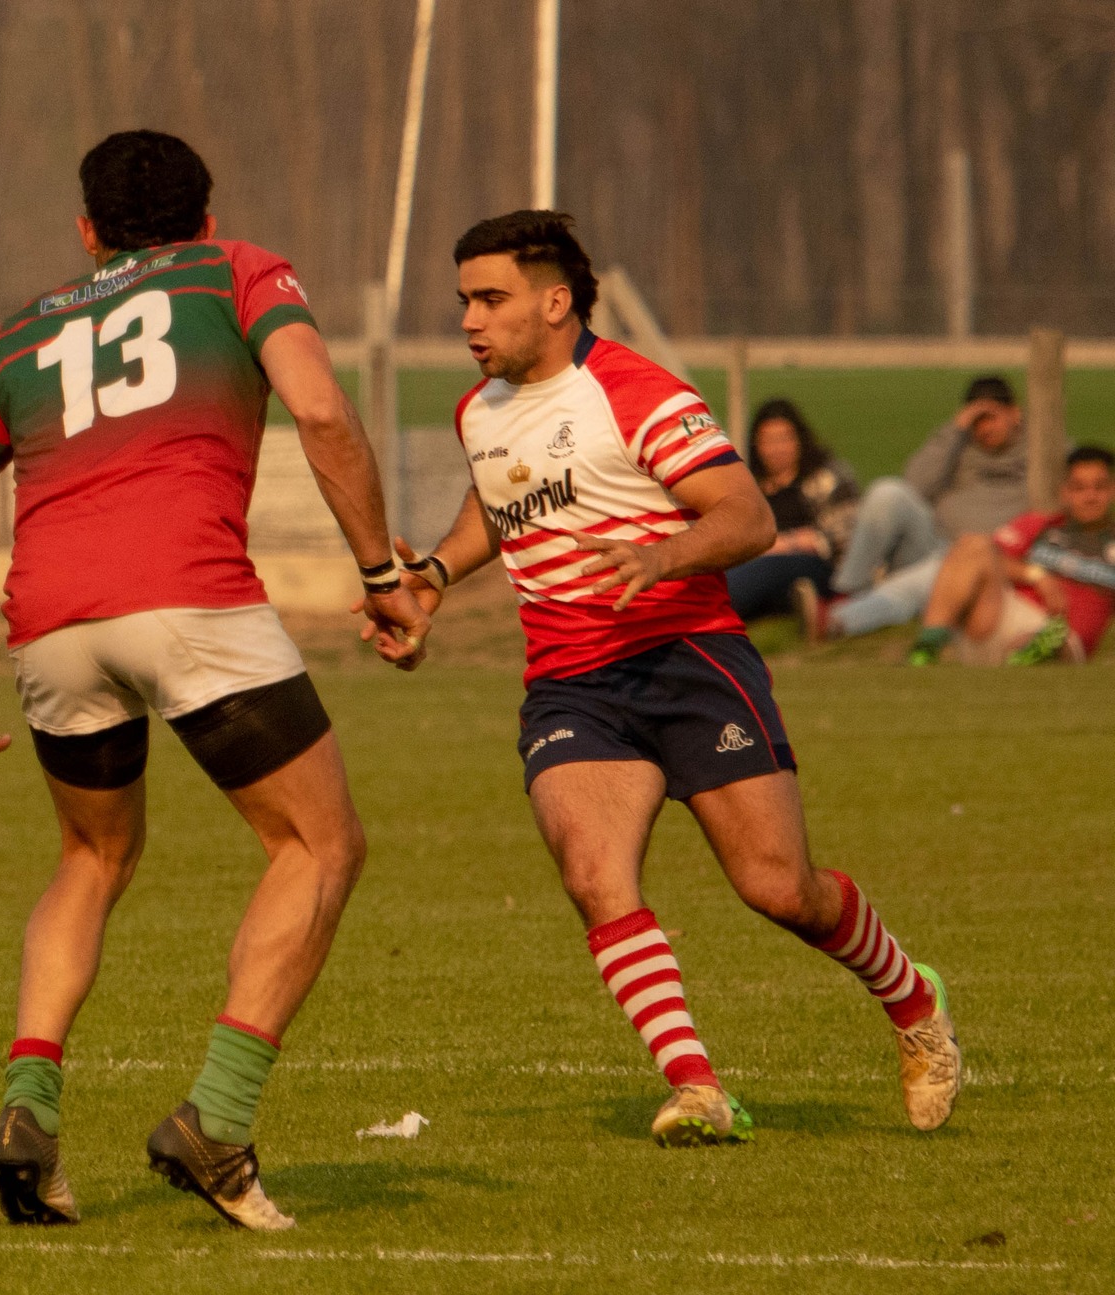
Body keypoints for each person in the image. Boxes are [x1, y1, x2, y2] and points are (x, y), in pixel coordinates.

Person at [0, 131, 426, 1231]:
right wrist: (379, 571)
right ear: (207, 215)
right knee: (319, 844)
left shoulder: (17, 334)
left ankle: (28, 1102)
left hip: (49, 629)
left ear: (85, 232)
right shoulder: (238, 271)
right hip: (189, 602)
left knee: (91, 854)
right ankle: (216, 1118)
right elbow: (319, 411)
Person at [376, 210, 961, 1147]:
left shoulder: (637, 392)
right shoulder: (477, 410)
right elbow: (501, 497)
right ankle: (697, 1087)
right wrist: (435, 578)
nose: (469, 321)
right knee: (593, 874)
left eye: (491, 299)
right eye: (463, 302)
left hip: (687, 660)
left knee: (780, 890)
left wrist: (667, 554)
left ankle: (912, 998)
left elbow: (749, 516)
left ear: (555, 301)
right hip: (570, 682)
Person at [818, 375, 1036, 640]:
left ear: (1015, 413)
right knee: (887, 492)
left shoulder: (1038, 455)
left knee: (924, 579)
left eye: (991, 417)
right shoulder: (958, 445)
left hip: (987, 559)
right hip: (935, 542)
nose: (985, 428)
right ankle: (846, 591)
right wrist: (955, 430)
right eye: (977, 421)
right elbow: (914, 484)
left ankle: (837, 620)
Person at [907, 445, 1115, 666]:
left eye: (1099, 487)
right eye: (1079, 488)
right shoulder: (1042, 525)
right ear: (1065, 492)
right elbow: (990, 558)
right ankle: (926, 648)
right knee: (973, 544)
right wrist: (1036, 574)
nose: (1090, 496)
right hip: (1004, 619)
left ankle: (1032, 651)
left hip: (1066, 638)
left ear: (1112, 490)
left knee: (1057, 638)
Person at [723, 398, 856, 623]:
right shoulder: (749, 486)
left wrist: (785, 543)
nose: (777, 449)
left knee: (767, 569)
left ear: (799, 440)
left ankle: (714, 612)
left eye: (784, 439)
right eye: (768, 441)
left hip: (812, 565)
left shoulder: (826, 478)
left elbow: (844, 534)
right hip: (756, 562)